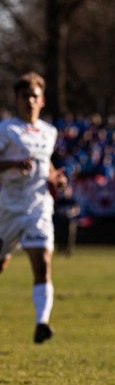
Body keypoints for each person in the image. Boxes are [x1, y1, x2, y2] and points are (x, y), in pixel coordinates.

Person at [0, 72, 69, 343]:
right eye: (24, 96)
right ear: (16, 99)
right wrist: (13, 164)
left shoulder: (49, 132)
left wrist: (55, 179)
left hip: (38, 207)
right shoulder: (7, 130)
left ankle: (42, 322)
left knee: (42, 263)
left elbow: (45, 164)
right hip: (7, 209)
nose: (29, 101)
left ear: (42, 101)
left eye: (34, 96)